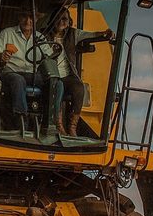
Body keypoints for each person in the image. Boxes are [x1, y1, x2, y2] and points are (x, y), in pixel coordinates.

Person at [42, 7, 113, 136]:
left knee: (79, 88)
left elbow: (90, 34)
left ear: (69, 21)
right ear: (53, 19)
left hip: (67, 75)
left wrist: (104, 33)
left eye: (65, 18)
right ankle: (58, 125)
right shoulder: (43, 35)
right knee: (57, 87)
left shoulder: (73, 34)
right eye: (59, 17)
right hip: (50, 73)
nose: (62, 21)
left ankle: (72, 126)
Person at [0, 10, 56, 131]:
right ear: (19, 17)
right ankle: (21, 119)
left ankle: (50, 122)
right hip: (10, 73)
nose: (28, 21)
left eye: (31, 17)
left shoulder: (40, 38)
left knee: (54, 81)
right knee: (18, 79)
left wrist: (50, 58)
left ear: (37, 19)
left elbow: (49, 57)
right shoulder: (7, 33)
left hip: (32, 74)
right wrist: (1, 55)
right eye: (24, 16)